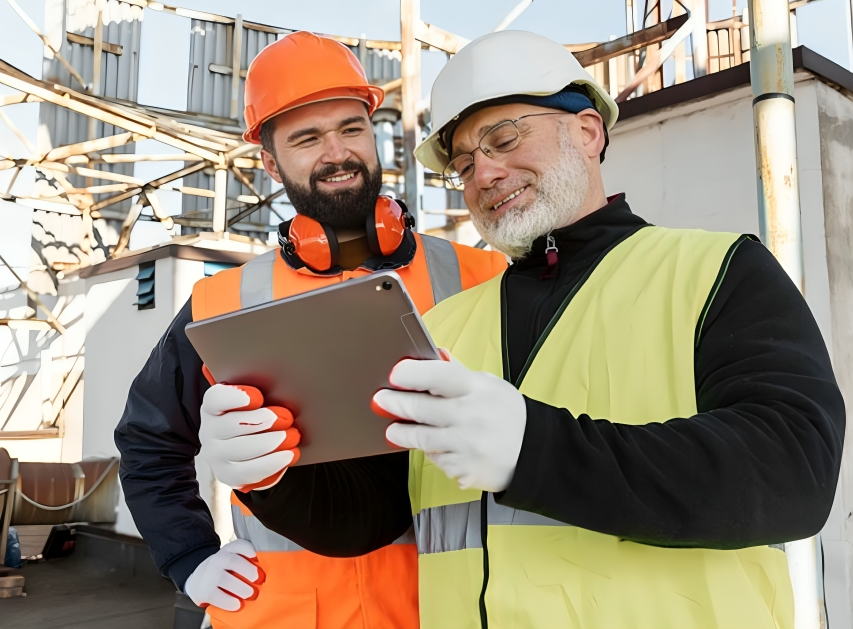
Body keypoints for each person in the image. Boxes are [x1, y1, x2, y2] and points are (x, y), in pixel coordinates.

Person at [230, 31, 845, 629]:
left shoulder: (717, 271)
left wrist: (536, 451)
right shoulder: (445, 324)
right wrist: (273, 473)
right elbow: (369, 516)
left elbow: (794, 470)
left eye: (503, 136)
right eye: (464, 163)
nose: (486, 174)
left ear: (587, 130)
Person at [115, 31, 506, 629]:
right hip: (284, 614)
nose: (338, 152)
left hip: (445, 610)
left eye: (351, 128)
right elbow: (149, 441)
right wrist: (187, 555)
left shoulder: (482, 275)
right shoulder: (222, 300)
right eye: (306, 138)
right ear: (270, 162)